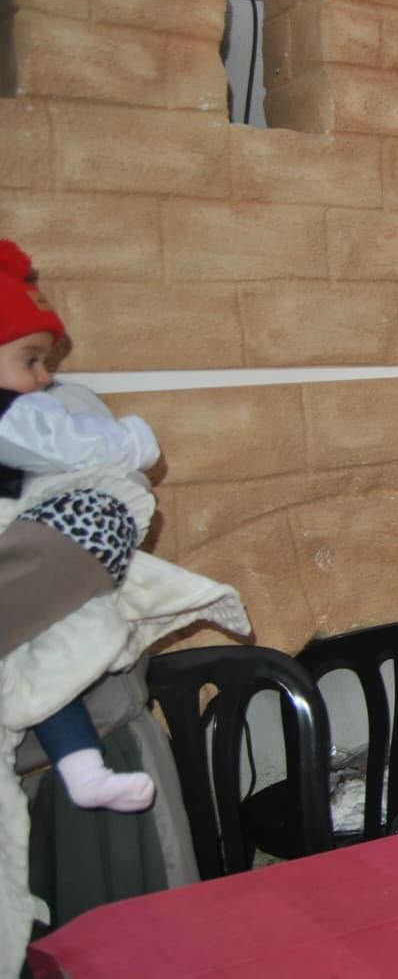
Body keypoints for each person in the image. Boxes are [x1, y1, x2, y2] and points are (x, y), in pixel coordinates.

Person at [0, 241, 162, 812]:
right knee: (48, 670)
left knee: (42, 675)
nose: (43, 378)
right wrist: (137, 440)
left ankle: (84, 770)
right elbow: (75, 448)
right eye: (30, 361)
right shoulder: (17, 416)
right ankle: (85, 769)